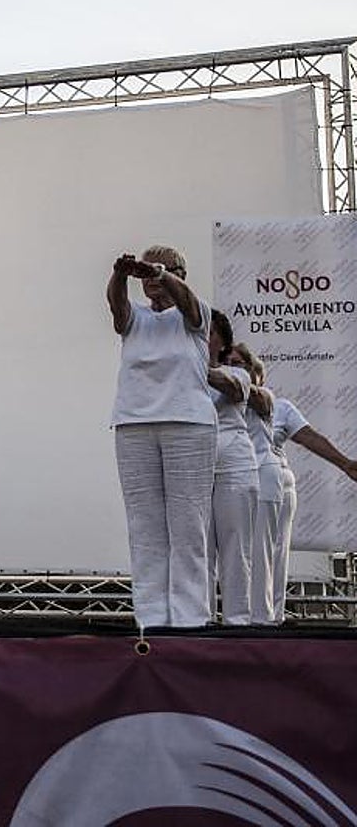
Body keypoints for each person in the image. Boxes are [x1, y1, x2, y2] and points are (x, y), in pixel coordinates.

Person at [107, 246, 216, 629]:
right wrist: (121, 274)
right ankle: (151, 618)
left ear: (180, 273)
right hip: (134, 425)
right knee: (145, 528)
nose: (152, 279)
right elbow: (117, 310)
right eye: (147, 274)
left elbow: (185, 301)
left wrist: (161, 273)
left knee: (188, 526)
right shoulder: (136, 319)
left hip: (188, 425)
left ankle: (189, 621)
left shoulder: (196, 317)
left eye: (164, 272)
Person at [230, 344, 357, 623]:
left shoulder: (278, 406)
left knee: (273, 551)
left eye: (239, 364)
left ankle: (270, 618)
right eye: (228, 363)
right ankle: (242, 616)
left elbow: (309, 437)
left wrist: (345, 463)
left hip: (273, 483)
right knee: (241, 552)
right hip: (234, 484)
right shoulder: (222, 406)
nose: (232, 368)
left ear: (257, 375)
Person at [204, 311, 256, 625]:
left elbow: (232, 389)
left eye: (208, 333)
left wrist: (193, 363)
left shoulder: (237, 374)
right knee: (199, 547)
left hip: (234, 466)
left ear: (222, 341)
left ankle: (237, 619)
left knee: (235, 545)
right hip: (195, 466)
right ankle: (201, 618)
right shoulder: (177, 373)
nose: (201, 338)